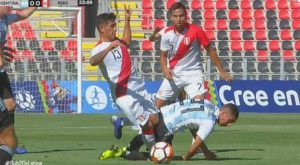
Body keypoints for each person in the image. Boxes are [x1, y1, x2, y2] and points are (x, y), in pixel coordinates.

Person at [90, 6, 159, 147]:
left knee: (155, 120)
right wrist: (109, 48)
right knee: (146, 125)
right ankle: (154, 153)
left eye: (115, 26)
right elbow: (92, 61)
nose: (115, 29)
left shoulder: (117, 41)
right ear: (102, 29)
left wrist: (127, 20)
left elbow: (126, 41)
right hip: (123, 93)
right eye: (112, 26)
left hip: (138, 88)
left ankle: (120, 122)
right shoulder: (99, 48)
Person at [100, 99, 239, 161]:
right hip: (167, 127)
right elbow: (195, 144)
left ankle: (127, 148)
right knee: (158, 156)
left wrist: (207, 152)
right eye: (230, 121)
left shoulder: (208, 104)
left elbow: (193, 128)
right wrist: (185, 158)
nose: (229, 124)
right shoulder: (209, 122)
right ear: (224, 114)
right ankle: (120, 153)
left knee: (147, 134)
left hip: (162, 113)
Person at [155, 2, 233, 109]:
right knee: (155, 108)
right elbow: (163, 56)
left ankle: (194, 125)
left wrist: (222, 71)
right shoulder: (166, 34)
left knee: (199, 104)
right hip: (174, 75)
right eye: (175, 16)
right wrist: (164, 68)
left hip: (193, 74)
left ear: (186, 16)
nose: (179, 19)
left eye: (181, 16)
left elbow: (210, 51)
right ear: (171, 18)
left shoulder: (196, 31)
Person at [0, 6, 37, 154]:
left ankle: (10, 144)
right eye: (5, 4)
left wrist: (36, 4)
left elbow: (23, 14)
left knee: (10, 105)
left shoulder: (6, 19)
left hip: (1, 70)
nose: (10, 7)